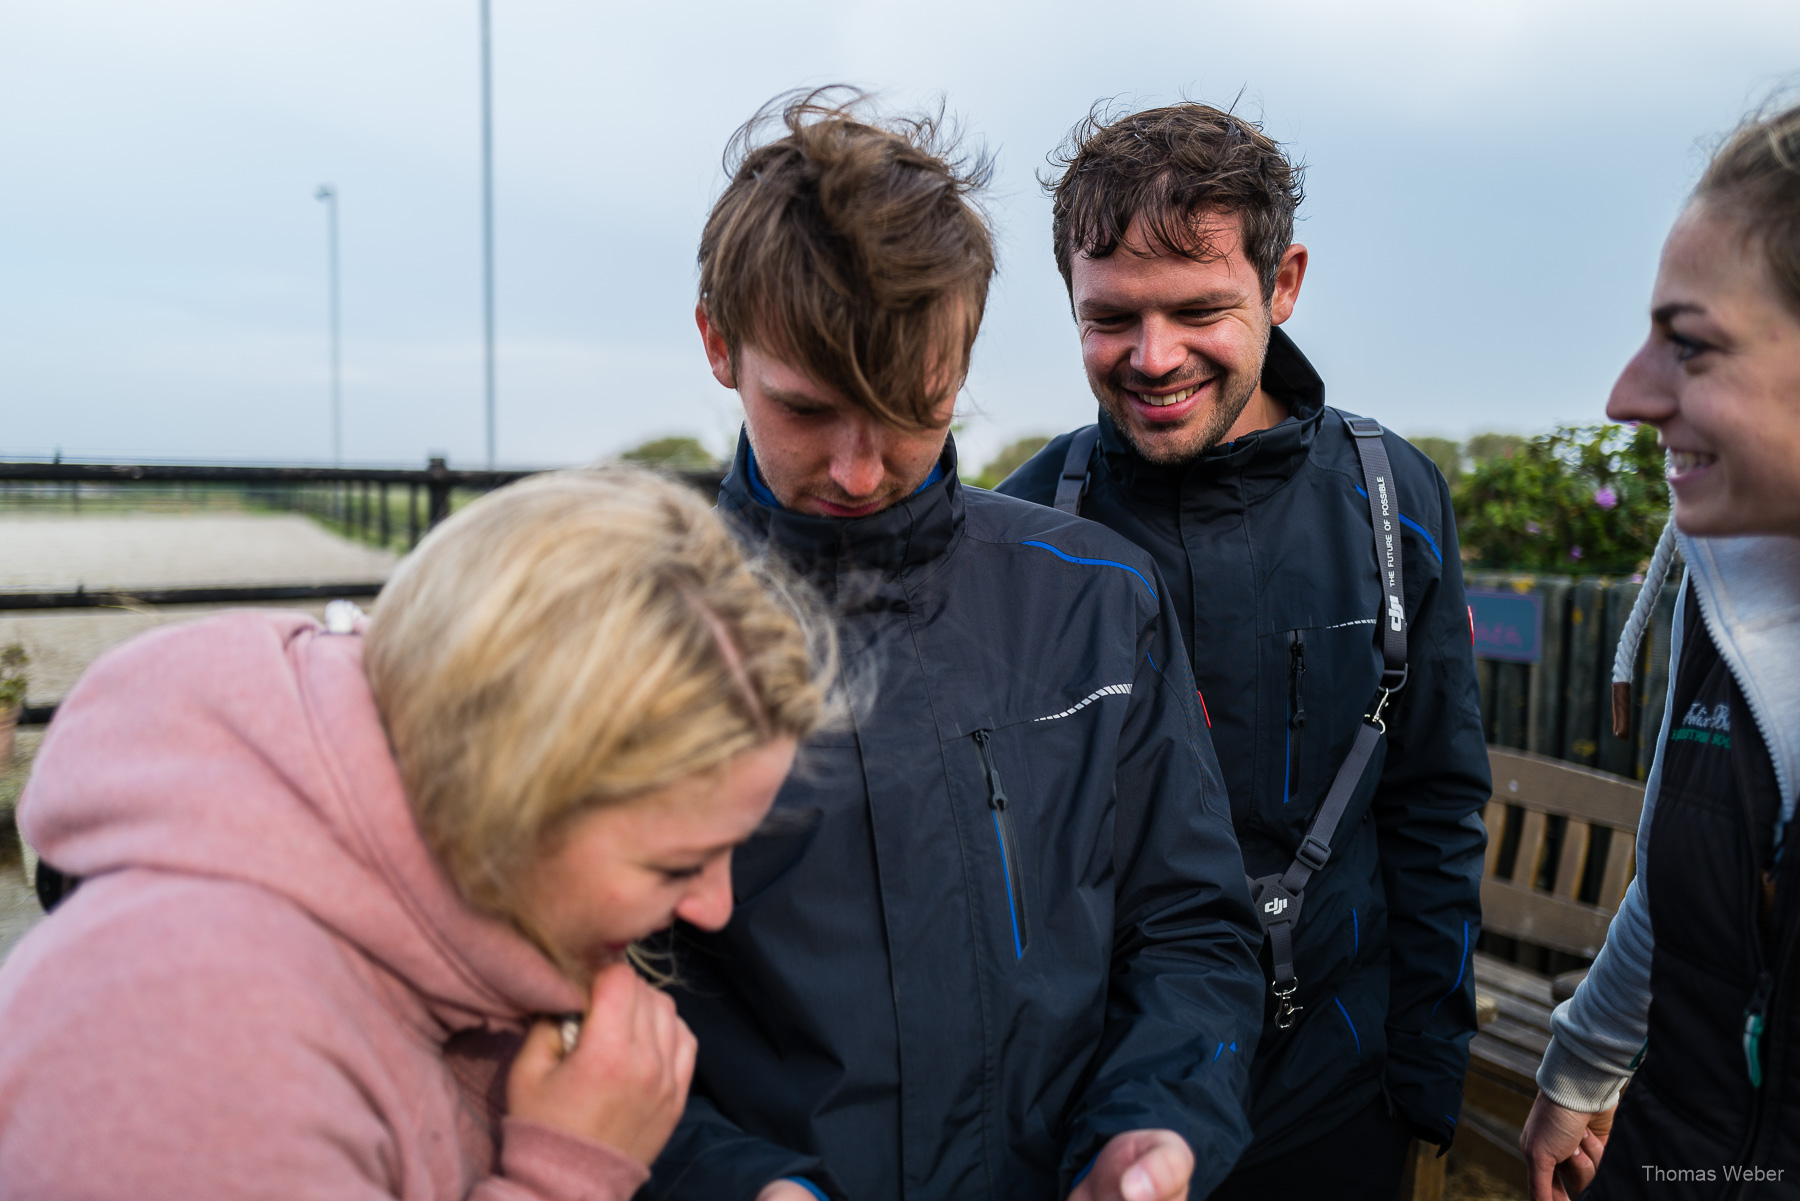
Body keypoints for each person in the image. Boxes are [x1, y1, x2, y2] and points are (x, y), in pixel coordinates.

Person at [646, 89, 1265, 1201]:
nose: (855, 469)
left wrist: (1159, 1129)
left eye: (912, 408)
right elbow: (549, 995)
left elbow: (1188, 931)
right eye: (806, 409)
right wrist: (724, 1183)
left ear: (963, 357)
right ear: (717, 342)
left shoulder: (1099, 598)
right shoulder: (622, 628)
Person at [0, 467, 833, 1199]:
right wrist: (567, 1174)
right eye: (677, 861)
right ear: (513, 793)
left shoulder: (448, 908)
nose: (715, 906)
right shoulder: (191, 1046)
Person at [997, 103, 1491, 1199]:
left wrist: (1422, 1076)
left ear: (1284, 283)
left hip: (1337, 1092)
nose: (1153, 357)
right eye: (1111, 316)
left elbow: (1435, 801)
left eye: (1198, 310)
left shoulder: (1392, 501)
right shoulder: (1026, 526)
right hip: (1096, 1117)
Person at [1519, 100, 1800, 1201]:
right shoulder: (1721, 582)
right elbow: (1687, 880)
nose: (1627, 395)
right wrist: (1583, 1063)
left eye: (1688, 344)